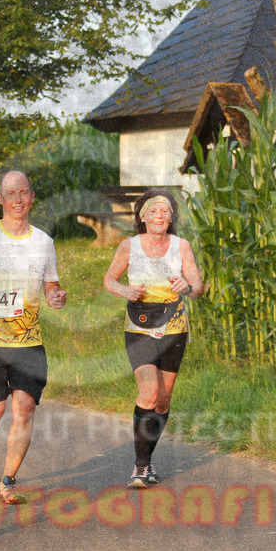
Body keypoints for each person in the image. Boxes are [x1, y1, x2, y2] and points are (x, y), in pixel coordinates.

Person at [0, 171, 67, 504]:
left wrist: (55, 296)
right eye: (11, 193)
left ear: (32, 197)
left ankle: (8, 480)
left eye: (23, 193)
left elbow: (51, 284)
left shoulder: (43, 242)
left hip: (29, 342)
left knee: (25, 409)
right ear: (0, 198)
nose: (18, 199)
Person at [103, 188, 205, 488]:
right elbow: (110, 280)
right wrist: (125, 290)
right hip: (139, 327)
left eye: (165, 211)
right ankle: (140, 466)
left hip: (174, 327)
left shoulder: (181, 246)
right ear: (143, 216)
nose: (159, 216)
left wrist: (187, 286)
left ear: (171, 217)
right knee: (149, 392)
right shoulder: (129, 246)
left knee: (163, 399)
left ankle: (147, 460)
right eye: (153, 211)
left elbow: (198, 287)